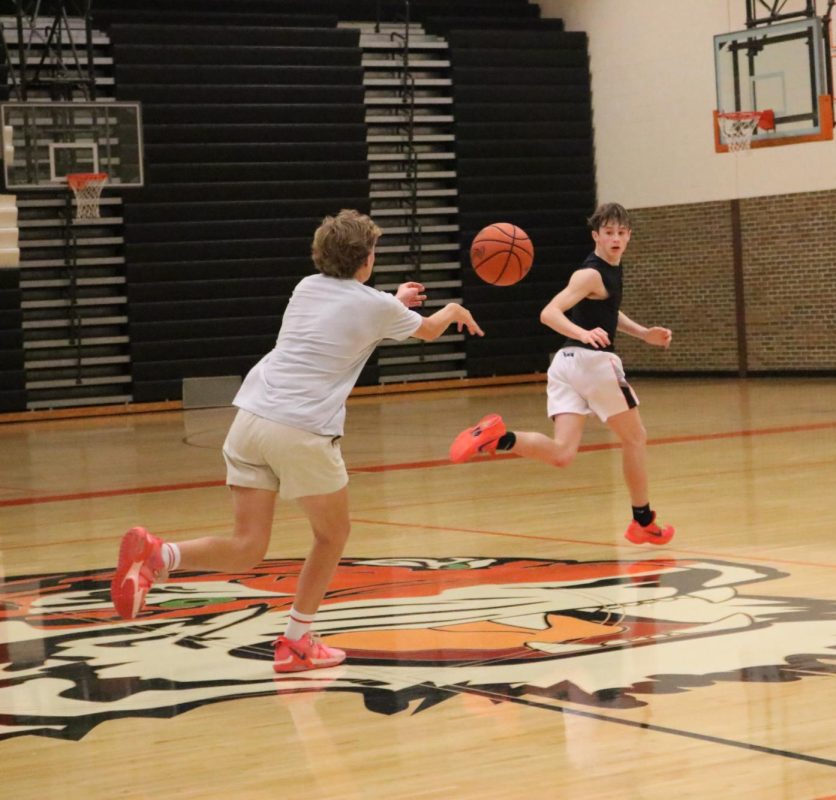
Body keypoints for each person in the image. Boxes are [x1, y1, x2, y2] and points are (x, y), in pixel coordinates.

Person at [111, 209, 484, 673]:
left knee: (248, 545)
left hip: (250, 419)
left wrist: (393, 301)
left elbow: (354, 310)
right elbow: (425, 329)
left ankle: (158, 555)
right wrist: (451, 310)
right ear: (367, 259)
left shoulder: (307, 288)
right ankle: (296, 641)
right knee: (333, 535)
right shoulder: (377, 306)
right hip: (301, 429)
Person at [449, 202, 675, 545]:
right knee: (635, 437)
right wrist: (585, 334)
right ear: (595, 235)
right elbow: (549, 313)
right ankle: (642, 520)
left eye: (621, 232)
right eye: (608, 232)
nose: (615, 238)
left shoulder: (607, 272)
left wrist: (643, 333)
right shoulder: (590, 274)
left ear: (628, 235)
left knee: (562, 453)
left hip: (566, 365)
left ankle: (499, 437)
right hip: (592, 362)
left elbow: (608, 309)